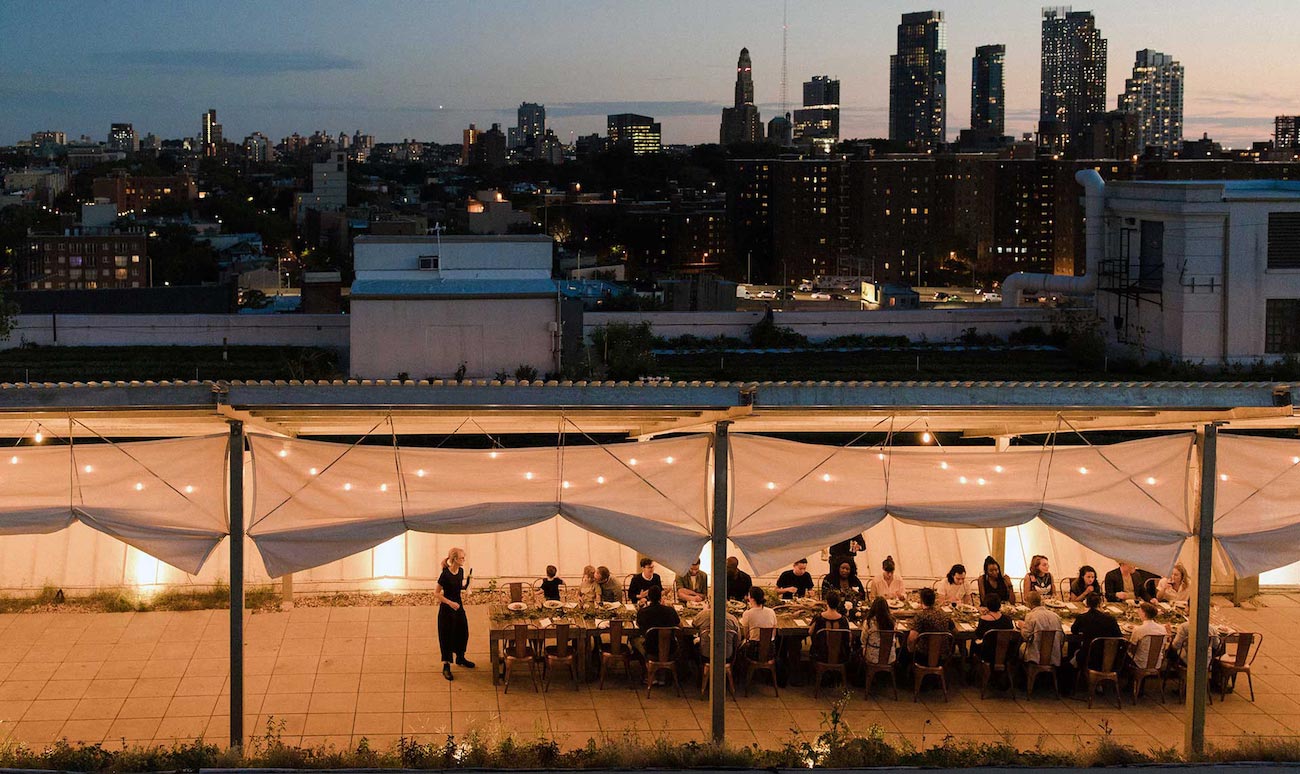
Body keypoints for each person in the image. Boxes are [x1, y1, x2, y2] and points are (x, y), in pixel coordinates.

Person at [434, 547, 474, 681]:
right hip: (447, 609)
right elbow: (436, 593)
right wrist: (450, 603)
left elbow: (457, 587)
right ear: (455, 559)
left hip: (459, 607)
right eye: (462, 558)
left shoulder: (461, 571)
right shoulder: (445, 574)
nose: (464, 560)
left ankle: (460, 657)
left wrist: (467, 584)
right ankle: (446, 666)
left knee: (463, 631)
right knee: (447, 635)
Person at [1069, 592, 1122, 670]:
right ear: (1100, 604)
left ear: (1087, 604)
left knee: (1075, 650)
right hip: (1110, 659)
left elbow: (1073, 630)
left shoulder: (1082, 618)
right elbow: (1120, 638)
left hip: (1089, 657)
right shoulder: (1111, 619)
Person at [635, 586, 681, 663]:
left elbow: (638, 626)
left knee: (633, 639)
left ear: (648, 597)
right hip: (671, 648)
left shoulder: (643, 612)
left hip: (651, 648)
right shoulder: (670, 611)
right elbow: (680, 626)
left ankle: (643, 666)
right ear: (660, 597)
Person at [1018, 590, 1063, 666]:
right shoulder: (1056, 616)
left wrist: (1022, 626)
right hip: (1054, 654)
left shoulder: (1031, 616)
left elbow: (1026, 636)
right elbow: (1061, 638)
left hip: (1036, 656)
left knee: (1020, 647)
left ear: (1029, 604)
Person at [907, 587, 954, 652]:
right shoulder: (944, 614)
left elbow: (912, 638)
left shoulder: (920, 616)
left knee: (901, 651)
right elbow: (954, 632)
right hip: (943, 656)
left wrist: (911, 651)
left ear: (921, 601)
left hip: (924, 654)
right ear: (934, 600)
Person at [808, 590, 850, 662]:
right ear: (839, 603)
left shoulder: (819, 618)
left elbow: (810, 632)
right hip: (840, 656)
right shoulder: (843, 620)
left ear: (826, 602)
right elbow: (848, 638)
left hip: (820, 655)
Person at [974, 594, 1016, 663]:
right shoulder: (1007, 619)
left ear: (987, 606)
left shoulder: (984, 619)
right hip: (1006, 652)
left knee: (974, 641)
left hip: (988, 653)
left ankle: (971, 663)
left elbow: (978, 635)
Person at [1128, 602, 1169, 670]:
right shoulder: (1162, 628)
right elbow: (1164, 647)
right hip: (1157, 663)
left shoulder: (1138, 629)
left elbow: (1132, 648)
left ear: (1144, 613)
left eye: (1140, 610)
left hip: (1140, 663)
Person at [739, 587, 778, 656]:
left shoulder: (747, 613)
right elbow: (774, 631)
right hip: (770, 650)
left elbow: (746, 635)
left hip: (754, 650)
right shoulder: (771, 611)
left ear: (752, 599)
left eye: (749, 596)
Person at [863, 596, 897, 666]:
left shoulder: (869, 622)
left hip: (872, 657)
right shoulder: (893, 622)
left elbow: (863, 640)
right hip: (890, 657)